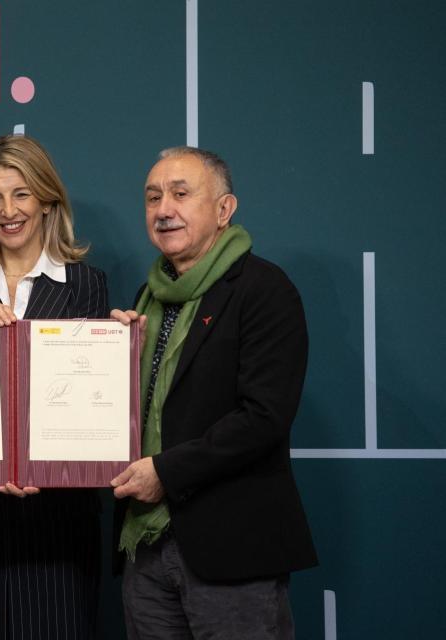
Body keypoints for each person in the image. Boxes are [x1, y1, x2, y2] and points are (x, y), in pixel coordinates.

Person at [110, 146, 317, 639]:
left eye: (181, 194)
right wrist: (110, 357)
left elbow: (263, 416)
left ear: (224, 210)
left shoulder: (263, 289)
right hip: (147, 547)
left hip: (231, 551)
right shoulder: (148, 298)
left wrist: (164, 471)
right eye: (153, 197)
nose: (164, 210)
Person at [0, 134, 109, 640]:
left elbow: (92, 409)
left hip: (58, 520)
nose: (9, 210)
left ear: (47, 198)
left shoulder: (88, 284)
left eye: (22, 194)